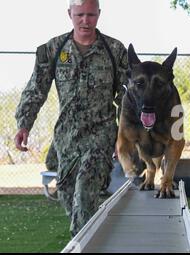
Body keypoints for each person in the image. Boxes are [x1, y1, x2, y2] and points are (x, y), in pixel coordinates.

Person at [14, 0, 128, 237]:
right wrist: (24, 124)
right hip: (66, 139)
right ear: (70, 14)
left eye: (90, 15)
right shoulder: (54, 49)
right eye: (80, 15)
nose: (85, 21)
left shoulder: (115, 50)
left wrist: (123, 137)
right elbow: (36, 89)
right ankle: (90, 238)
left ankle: (81, 245)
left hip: (101, 135)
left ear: (99, 14)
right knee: (69, 196)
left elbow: (126, 96)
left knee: (85, 193)